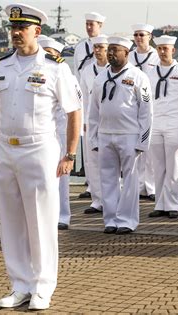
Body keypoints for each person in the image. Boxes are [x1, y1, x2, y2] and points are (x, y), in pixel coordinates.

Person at [0, 3, 82, 310]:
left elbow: (74, 112)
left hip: (39, 149)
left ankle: (42, 287)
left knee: (41, 221)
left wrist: (69, 153)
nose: (15, 33)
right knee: (11, 222)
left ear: (36, 32)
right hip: (6, 151)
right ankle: (19, 285)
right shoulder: (1, 67)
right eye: (12, 28)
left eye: (21, 29)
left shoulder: (55, 68)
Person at [89, 36, 152, 235]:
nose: (111, 53)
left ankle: (127, 220)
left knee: (131, 181)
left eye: (115, 50)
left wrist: (143, 141)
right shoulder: (100, 78)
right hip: (106, 135)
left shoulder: (138, 76)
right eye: (110, 50)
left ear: (126, 52)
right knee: (107, 179)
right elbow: (93, 112)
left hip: (129, 135)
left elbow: (146, 111)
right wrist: (93, 138)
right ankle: (110, 219)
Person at [145, 35, 178, 219]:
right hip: (156, 123)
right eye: (160, 48)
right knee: (158, 166)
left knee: (173, 166)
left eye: (166, 49)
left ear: (173, 50)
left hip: (173, 123)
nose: (162, 52)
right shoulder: (151, 73)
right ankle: (160, 204)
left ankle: (173, 204)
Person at [37, 35, 73, 230]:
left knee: (61, 178)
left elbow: (76, 109)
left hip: (61, 132)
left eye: (50, 54)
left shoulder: (65, 74)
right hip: (42, 134)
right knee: (40, 177)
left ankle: (62, 216)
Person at [74, 11, 106, 200]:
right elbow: (79, 75)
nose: (88, 27)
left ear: (100, 25)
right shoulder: (80, 48)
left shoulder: (106, 45)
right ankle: (92, 188)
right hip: (85, 98)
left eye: (92, 24)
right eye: (86, 23)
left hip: (104, 108)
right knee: (90, 152)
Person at [79, 34, 109, 215]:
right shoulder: (87, 71)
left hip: (109, 121)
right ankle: (97, 200)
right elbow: (82, 98)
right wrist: (83, 120)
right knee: (92, 162)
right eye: (95, 48)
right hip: (91, 121)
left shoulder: (113, 70)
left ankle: (111, 198)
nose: (98, 51)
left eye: (101, 48)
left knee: (109, 162)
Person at [129, 23, 158, 201]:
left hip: (152, 106)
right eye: (136, 35)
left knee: (151, 150)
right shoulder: (130, 56)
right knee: (135, 149)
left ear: (150, 37)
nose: (139, 38)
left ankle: (151, 186)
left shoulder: (156, 56)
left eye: (142, 35)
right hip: (133, 107)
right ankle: (139, 186)